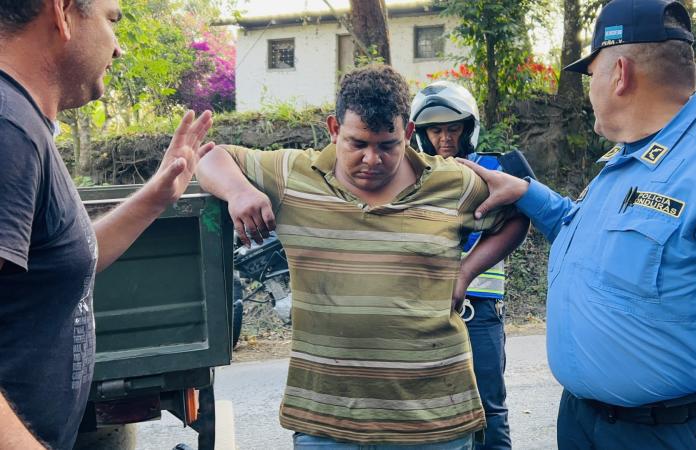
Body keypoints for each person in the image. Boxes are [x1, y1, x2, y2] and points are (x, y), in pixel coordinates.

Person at [459, 0, 696, 448]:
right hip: (584, 422)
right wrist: (528, 193)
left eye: (591, 74)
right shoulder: (629, 158)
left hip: (669, 431)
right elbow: (583, 235)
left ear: (619, 73)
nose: (590, 88)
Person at [196, 65, 529, 449]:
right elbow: (211, 158)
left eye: (387, 145)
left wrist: (467, 272)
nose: (372, 159)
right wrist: (239, 191)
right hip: (326, 422)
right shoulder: (292, 174)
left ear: (406, 134)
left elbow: (518, 214)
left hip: (435, 420)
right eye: (357, 144)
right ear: (334, 129)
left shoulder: (452, 181)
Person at [0, 1, 214, 449]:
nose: (118, 50)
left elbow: (54, 263)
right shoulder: (8, 130)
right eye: (112, 19)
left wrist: (156, 195)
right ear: (61, 12)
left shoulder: (23, 123)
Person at [410, 80, 512, 450]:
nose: (445, 138)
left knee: (489, 410)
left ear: (469, 128)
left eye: (453, 128)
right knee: (427, 412)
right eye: (435, 130)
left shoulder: (496, 169)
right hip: (423, 311)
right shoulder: (409, 176)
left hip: (479, 310)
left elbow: (523, 219)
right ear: (420, 133)